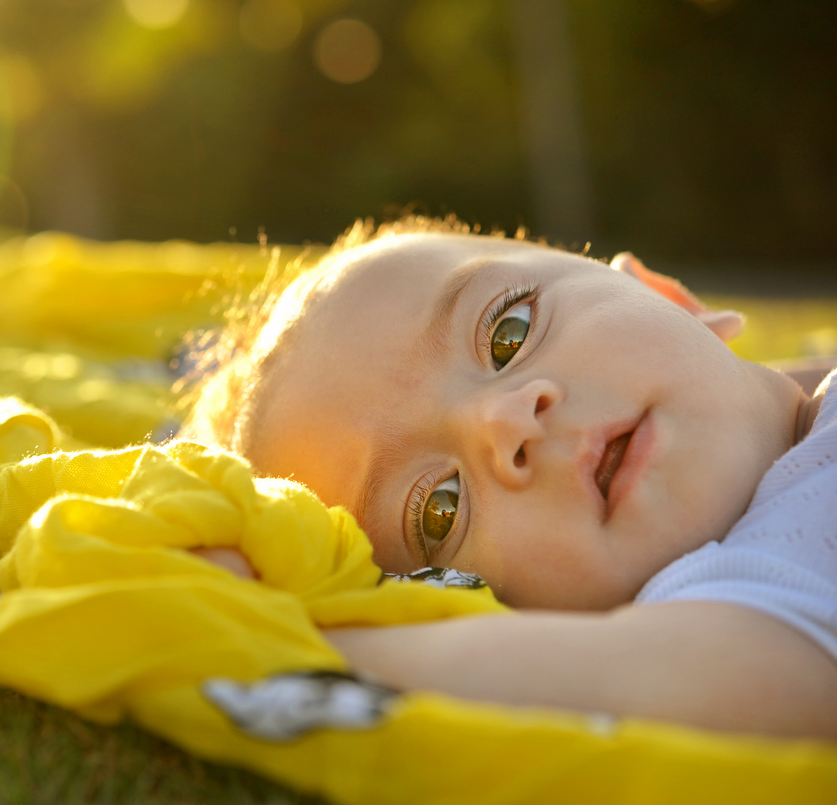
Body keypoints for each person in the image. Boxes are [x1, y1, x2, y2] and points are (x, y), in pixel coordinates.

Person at [183, 217, 837, 740]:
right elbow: (727, 678)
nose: (500, 423)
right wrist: (291, 643)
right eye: (440, 508)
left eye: (509, 333)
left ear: (667, 297)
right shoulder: (745, 602)